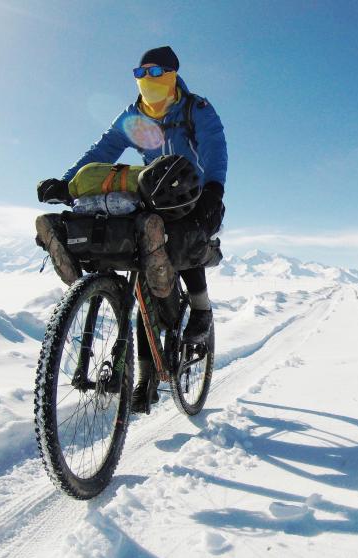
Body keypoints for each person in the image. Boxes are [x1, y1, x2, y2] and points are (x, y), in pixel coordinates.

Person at [35, 46, 227, 412]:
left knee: (185, 243)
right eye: (141, 73)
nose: (147, 80)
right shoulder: (137, 116)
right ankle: (144, 377)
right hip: (152, 192)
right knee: (146, 281)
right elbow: (103, 150)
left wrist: (213, 191)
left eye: (156, 73)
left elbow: (215, 147)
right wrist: (66, 182)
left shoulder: (192, 109)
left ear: (172, 74)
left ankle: (200, 308)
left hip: (190, 194)